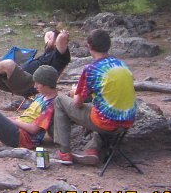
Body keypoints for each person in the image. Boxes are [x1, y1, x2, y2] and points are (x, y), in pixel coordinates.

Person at [53, 29, 137, 165]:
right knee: (100, 105)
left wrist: (74, 92)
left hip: (107, 122)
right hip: (128, 120)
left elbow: (77, 103)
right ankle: (92, 149)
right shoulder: (121, 64)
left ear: (89, 46)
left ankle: (64, 152)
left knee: (60, 101)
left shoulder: (92, 69)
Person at [0, 28, 71, 102]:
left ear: (56, 43)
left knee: (9, 63)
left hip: (31, 84)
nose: (48, 40)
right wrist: (53, 36)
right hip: (17, 81)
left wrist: (63, 33)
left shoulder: (61, 55)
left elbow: (61, 38)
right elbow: (47, 34)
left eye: (51, 39)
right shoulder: (49, 50)